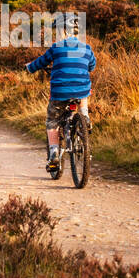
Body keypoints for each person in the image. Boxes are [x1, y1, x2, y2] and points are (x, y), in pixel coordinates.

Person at [25, 13, 96, 173]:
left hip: (59, 91)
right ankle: (84, 116)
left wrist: (30, 67)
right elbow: (92, 65)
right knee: (84, 90)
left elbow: (40, 62)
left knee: (52, 121)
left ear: (63, 31)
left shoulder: (56, 48)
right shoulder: (86, 48)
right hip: (81, 90)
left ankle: (54, 154)